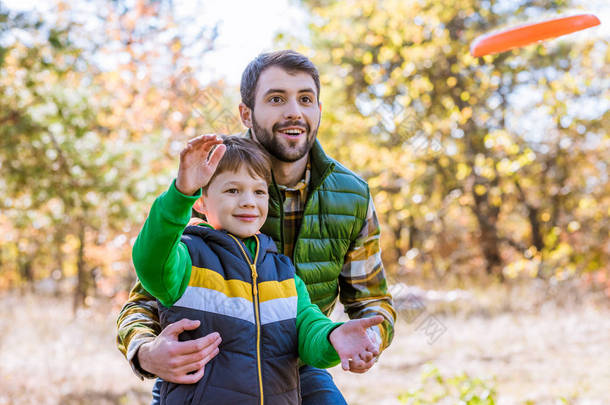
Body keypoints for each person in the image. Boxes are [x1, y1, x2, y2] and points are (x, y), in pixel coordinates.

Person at [117, 50, 396, 404]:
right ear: (246, 113)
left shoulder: (351, 195)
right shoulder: (212, 176)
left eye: (306, 99)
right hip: (210, 367)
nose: (294, 111)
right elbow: (149, 290)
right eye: (277, 98)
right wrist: (145, 350)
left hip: (292, 362)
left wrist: (356, 338)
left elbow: (367, 301)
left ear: (318, 111)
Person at [134, 134, 384, 404]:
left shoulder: (282, 272)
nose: (248, 201)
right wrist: (180, 194)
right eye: (232, 190)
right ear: (201, 202)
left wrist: (333, 336)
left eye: (259, 191)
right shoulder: (187, 260)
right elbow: (150, 259)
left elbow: (307, 329)